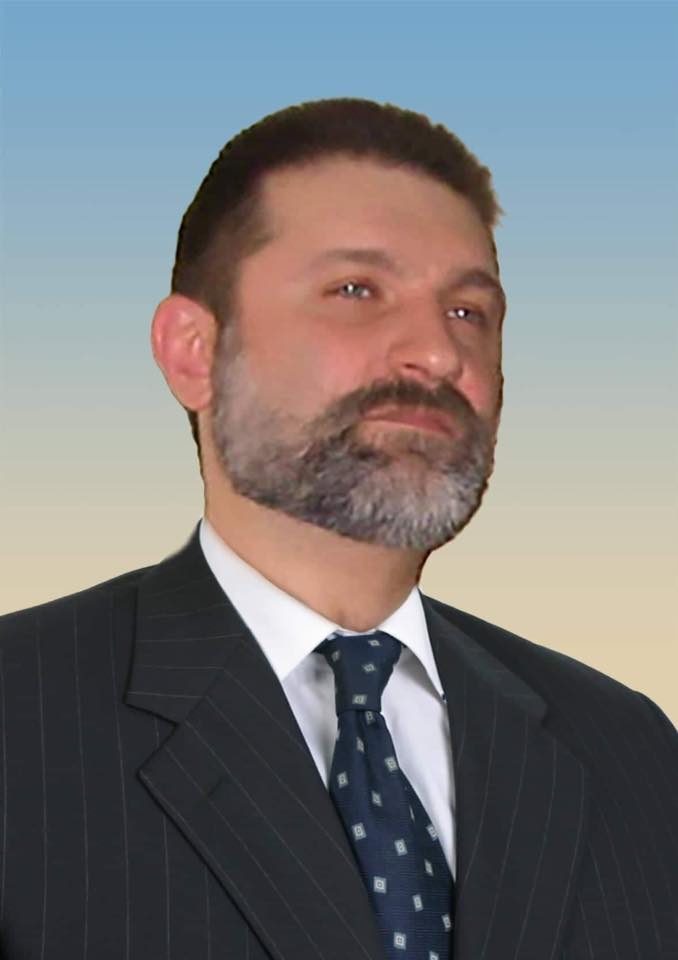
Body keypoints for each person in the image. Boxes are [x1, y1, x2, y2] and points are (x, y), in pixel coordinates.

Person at [0, 97, 676, 960]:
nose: (438, 353)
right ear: (193, 352)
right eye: (357, 290)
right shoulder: (21, 722)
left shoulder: (626, 750)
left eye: (468, 311)